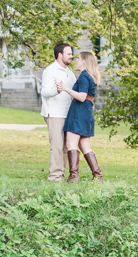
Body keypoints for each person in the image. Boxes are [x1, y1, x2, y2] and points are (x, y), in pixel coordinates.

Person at [58, 51, 103, 182]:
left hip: (78, 112)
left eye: (78, 58)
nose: (75, 60)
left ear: (84, 61)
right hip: (87, 112)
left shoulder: (84, 76)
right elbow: (89, 97)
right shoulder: (91, 76)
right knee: (85, 146)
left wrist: (66, 89)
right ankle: (98, 176)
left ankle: (74, 176)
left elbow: (82, 97)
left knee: (71, 143)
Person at [40, 42, 76, 182]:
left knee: (66, 147)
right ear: (60, 55)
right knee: (57, 146)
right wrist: (57, 90)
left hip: (68, 114)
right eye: (69, 53)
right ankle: (55, 177)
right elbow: (44, 92)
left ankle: (61, 174)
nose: (71, 56)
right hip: (54, 114)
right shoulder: (50, 71)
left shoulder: (69, 73)